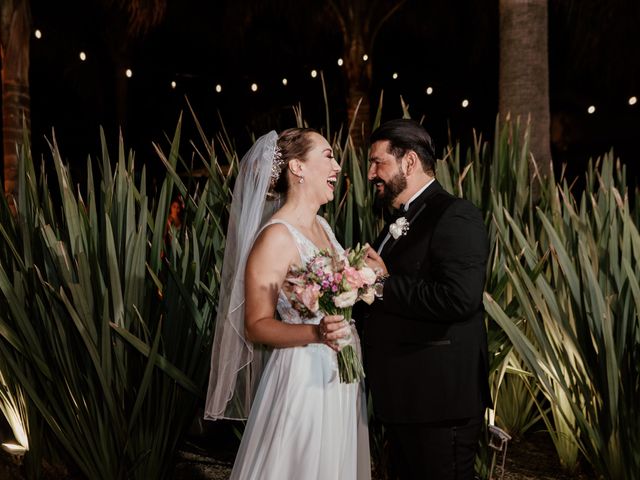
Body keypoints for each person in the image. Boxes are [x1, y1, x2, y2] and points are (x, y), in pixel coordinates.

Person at [205, 128, 371, 480]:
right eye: (328, 156)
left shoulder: (323, 225)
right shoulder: (276, 237)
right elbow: (256, 323)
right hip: (304, 376)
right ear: (297, 167)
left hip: (339, 373)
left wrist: (371, 280)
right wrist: (315, 332)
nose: (338, 167)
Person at [362, 119, 492, 479]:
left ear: (408, 162)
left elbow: (459, 298)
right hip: (405, 399)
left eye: (378, 162)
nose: (372, 173)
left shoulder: (455, 214)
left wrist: (382, 283)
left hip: (439, 403)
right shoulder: (399, 221)